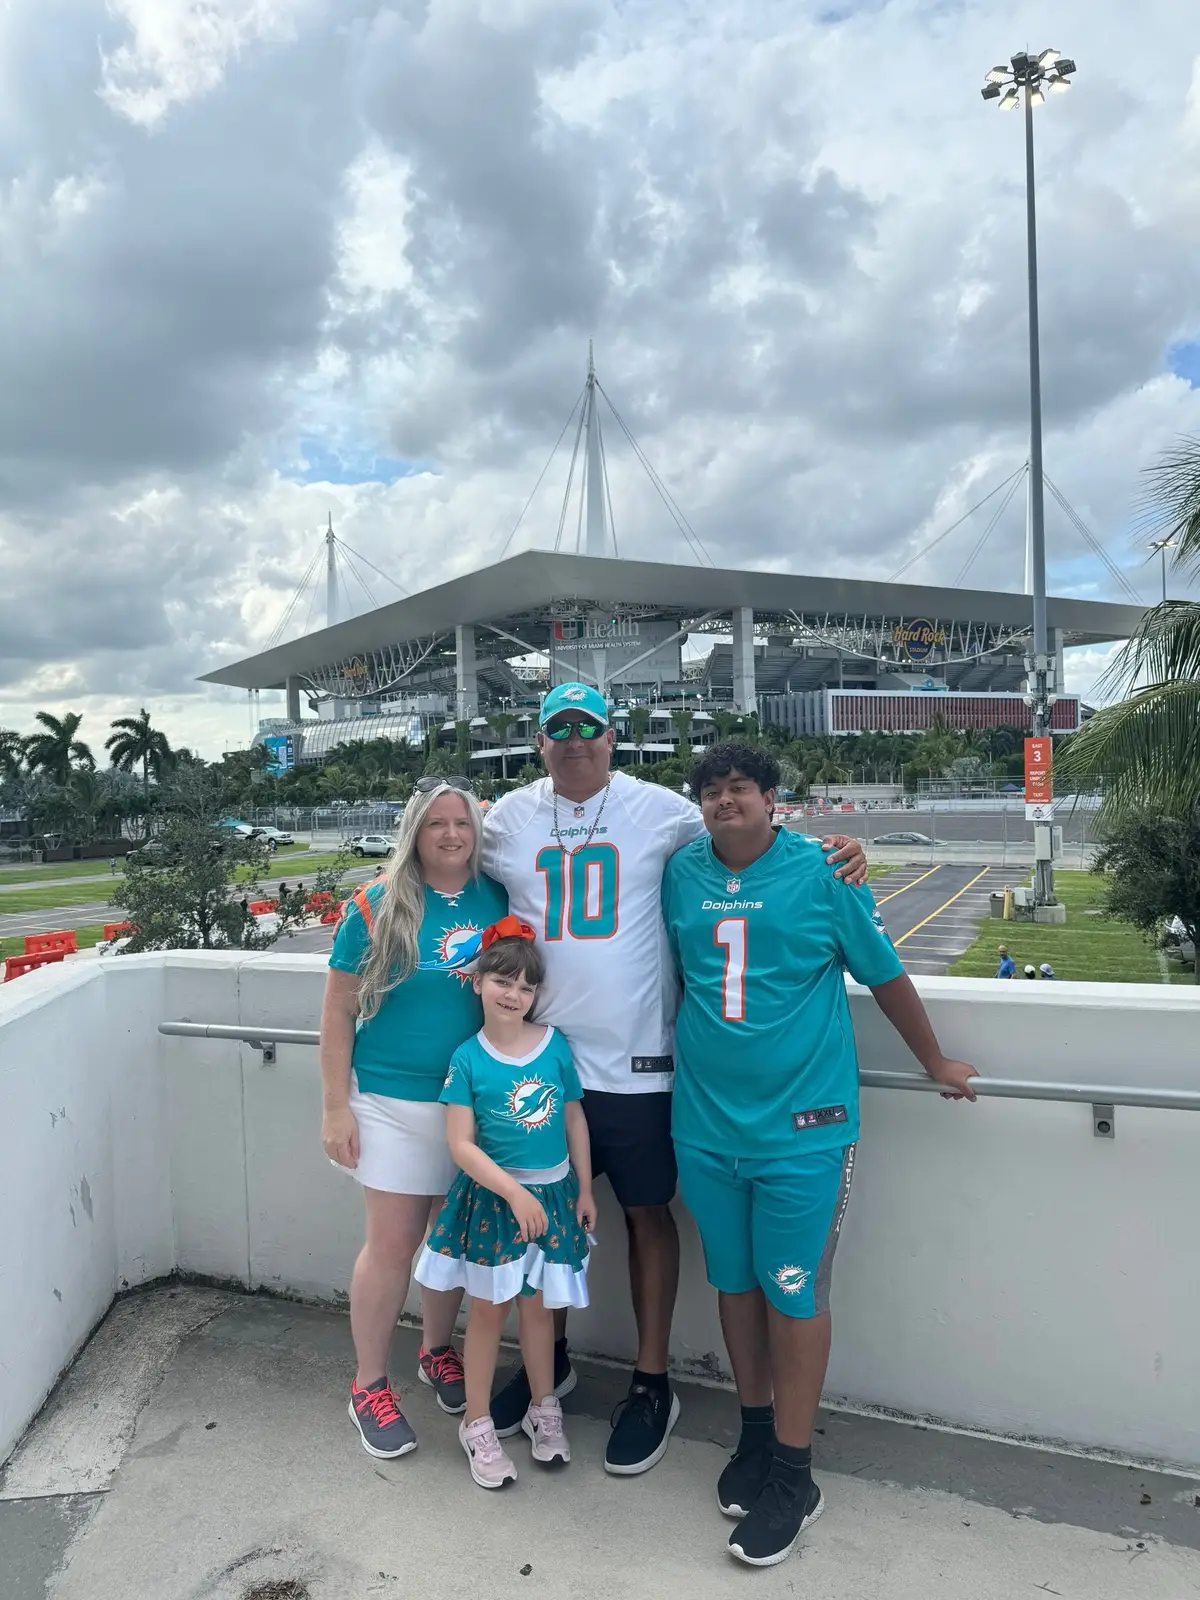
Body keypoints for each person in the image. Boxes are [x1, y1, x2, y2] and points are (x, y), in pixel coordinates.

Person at [480, 682, 868, 1475]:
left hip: (642, 1064)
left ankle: (652, 1382)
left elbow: (751, 834)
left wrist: (848, 852)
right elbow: (439, 858)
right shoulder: (507, 818)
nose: (575, 739)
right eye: (559, 728)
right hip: (542, 1059)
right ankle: (549, 1363)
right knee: (542, 1220)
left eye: (590, 726)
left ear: (613, 735)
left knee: (649, 1218)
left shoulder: (661, 808)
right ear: (540, 741)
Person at [662, 743, 977, 1568]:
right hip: (703, 1124)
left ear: (773, 798)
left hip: (804, 1127)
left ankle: (796, 1474)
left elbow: (883, 973)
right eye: (712, 791)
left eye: (741, 789)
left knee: (794, 1295)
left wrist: (935, 1062)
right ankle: (758, 1435)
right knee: (733, 1285)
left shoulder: (825, 872)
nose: (725, 801)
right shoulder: (681, 872)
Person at [320, 776, 508, 1459]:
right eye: (437, 824)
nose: (451, 833)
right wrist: (336, 1105)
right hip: (393, 1103)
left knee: (448, 1243)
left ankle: (436, 1352)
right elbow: (338, 1010)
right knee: (394, 1245)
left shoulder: (498, 898)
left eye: (461, 822)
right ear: (415, 832)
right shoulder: (376, 905)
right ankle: (369, 1384)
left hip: (469, 1104)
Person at [414, 918, 596, 1488]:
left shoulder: (554, 1045)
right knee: (489, 1313)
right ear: (477, 982)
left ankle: (545, 1407)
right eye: (502, 981)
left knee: (539, 1312)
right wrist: (513, 1191)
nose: (514, 995)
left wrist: (586, 1188)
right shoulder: (467, 1059)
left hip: (555, 1198)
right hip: (496, 1204)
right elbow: (460, 1144)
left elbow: (573, 1117)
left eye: (526, 986)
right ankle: (478, 1422)